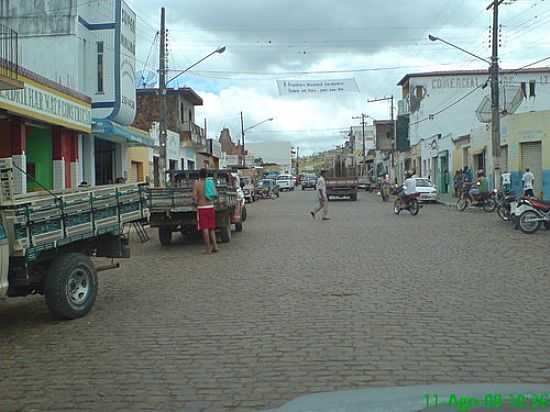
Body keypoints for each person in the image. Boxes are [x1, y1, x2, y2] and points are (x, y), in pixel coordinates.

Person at [193, 168, 219, 254]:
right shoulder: (210, 183)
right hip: (211, 207)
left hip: (202, 208)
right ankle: (215, 246)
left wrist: (195, 203)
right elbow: (215, 194)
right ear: (207, 175)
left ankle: (208, 249)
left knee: (205, 228)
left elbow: (194, 197)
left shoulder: (197, 184)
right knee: (211, 228)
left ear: (199, 175)